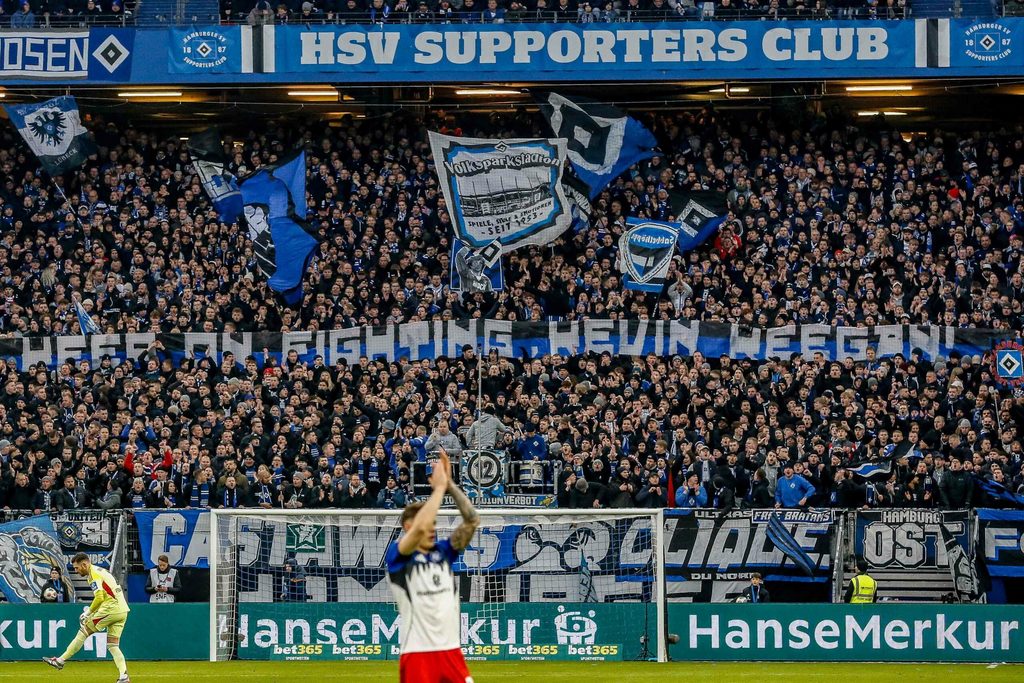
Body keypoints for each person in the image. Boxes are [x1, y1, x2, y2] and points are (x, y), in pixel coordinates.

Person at [386, 449, 477, 683]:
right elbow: (418, 530)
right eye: (427, 523)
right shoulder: (399, 556)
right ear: (408, 527)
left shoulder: (444, 553)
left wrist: (449, 486)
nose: (432, 528)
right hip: (418, 654)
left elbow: (472, 520)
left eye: (434, 523)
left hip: (452, 651)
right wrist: (437, 490)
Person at [44, 553, 131, 683]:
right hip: (122, 610)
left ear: (84, 564)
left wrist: (88, 612)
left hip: (111, 609)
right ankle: (124, 677)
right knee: (113, 645)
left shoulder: (94, 574)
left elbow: (100, 597)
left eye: (77, 568)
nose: (76, 571)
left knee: (83, 631)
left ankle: (60, 660)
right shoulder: (100, 571)